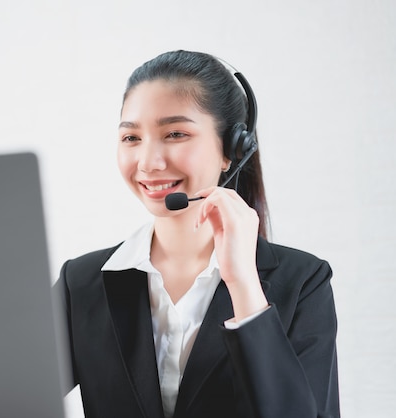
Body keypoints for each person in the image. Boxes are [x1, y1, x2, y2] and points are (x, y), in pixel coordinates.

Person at [54, 50, 339, 418]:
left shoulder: (302, 282)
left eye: (175, 133)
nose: (148, 162)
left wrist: (243, 285)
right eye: (131, 138)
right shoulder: (81, 283)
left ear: (232, 151)